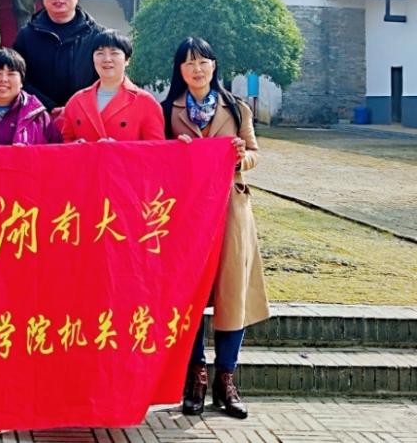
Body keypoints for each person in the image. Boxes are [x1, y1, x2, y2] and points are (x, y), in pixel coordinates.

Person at [161, 37, 269, 420]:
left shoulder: (237, 108)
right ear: (180, 70)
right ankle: (196, 375)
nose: (197, 69)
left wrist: (240, 157)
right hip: (186, 215)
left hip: (230, 211)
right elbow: (155, 158)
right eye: (189, 63)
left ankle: (226, 378)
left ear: (214, 65)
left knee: (232, 294)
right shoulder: (167, 111)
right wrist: (174, 152)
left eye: (203, 61)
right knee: (188, 296)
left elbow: (255, 153)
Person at [13, 0, 105, 120]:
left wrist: (76, 107)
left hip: (86, 117)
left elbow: (105, 79)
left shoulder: (97, 35)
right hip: (38, 117)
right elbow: (20, 79)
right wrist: (49, 107)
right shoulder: (26, 35)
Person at [60, 30, 163, 142]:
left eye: (114, 53)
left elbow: (156, 149)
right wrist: (75, 146)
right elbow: (64, 143)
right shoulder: (76, 101)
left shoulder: (146, 102)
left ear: (127, 60)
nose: (107, 59)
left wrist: (117, 149)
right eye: (100, 53)